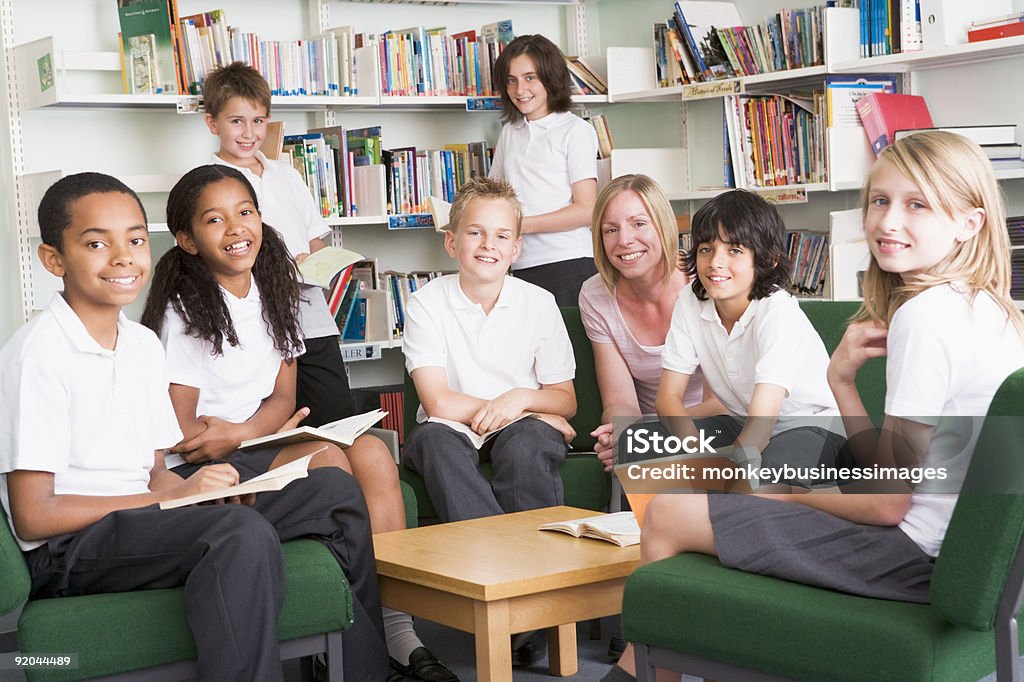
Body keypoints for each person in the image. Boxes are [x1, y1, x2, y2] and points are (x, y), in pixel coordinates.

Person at [603, 131, 1024, 682]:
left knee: (668, 513)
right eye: (880, 200)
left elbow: (887, 505)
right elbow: (896, 478)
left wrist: (790, 492)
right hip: (947, 549)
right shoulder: (993, 309)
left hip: (910, 556)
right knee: (695, 497)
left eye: (917, 204)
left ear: (971, 222)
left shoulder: (925, 317)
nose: (888, 221)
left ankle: (638, 672)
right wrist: (842, 384)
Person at [0, 172, 385, 681]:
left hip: (141, 520)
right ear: (54, 259)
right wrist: (171, 500)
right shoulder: (36, 357)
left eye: (135, 240)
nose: (122, 257)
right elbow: (34, 518)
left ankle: (366, 673)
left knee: (332, 491)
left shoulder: (139, 345)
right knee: (238, 532)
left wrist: (193, 493)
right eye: (96, 243)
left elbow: (156, 472)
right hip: (72, 548)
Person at [140, 165, 457, 682]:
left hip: (249, 441)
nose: (236, 228)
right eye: (214, 220)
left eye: (245, 213)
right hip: (200, 466)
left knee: (374, 453)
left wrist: (244, 431)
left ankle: (398, 632)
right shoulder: (186, 312)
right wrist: (240, 435)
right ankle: (340, 644)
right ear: (187, 240)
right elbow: (182, 435)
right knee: (330, 460)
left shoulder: (276, 292)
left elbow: (282, 398)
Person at [402, 175, 577, 523]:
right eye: (475, 232)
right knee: (434, 442)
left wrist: (522, 400)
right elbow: (438, 402)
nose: (488, 245)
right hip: (448, 427)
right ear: (451, 242)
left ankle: (538, 554)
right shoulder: (426, 302)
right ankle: (490, 551)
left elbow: (565, 400)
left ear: (516, 248)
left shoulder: (540, 303)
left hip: (523, 429)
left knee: (528, 443)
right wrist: (517, 407)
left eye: (501, 235)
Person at [653, 189, 847, 485]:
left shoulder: (777, 311)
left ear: (767, 261)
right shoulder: (690, 301)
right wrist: (694, 450)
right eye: (706, 248)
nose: (715, 262)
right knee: (646, 444)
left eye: (734, 250)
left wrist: (726, 470)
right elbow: (668, 398)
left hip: (813, 426)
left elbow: (762, 422)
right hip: (740, 422)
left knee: (764, 477)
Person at [202, 61, 353, 428]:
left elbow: (315, 239)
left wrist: (315, 262)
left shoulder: (287, 174)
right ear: (212, 123)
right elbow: (216, 253)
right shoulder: (209, 183)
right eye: (236, 121)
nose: (248, 132)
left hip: (311, 317)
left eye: (258, 121)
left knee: (337, 421)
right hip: (257, 323)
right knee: (273, 425)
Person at [579, 174, 719, 473]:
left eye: (639, 223)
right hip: (650, 436)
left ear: (663, 225)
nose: (624, 240)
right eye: (611, 229)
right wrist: (621, 435)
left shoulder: (707, 281)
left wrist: (650, 439)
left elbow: (718, 405)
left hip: (710, 426)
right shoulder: (595, 296)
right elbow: (619, 401)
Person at [489, 34, 599, 306]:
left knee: (570, 348)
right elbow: (493, 196)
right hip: (519, 263)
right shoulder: (509, 133)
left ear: (551, 78)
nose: (519, 89)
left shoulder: (575, 131)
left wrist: (521, 225)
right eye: (511, 80)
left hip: (569, 263)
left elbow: (586, 209)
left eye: (530, 77)